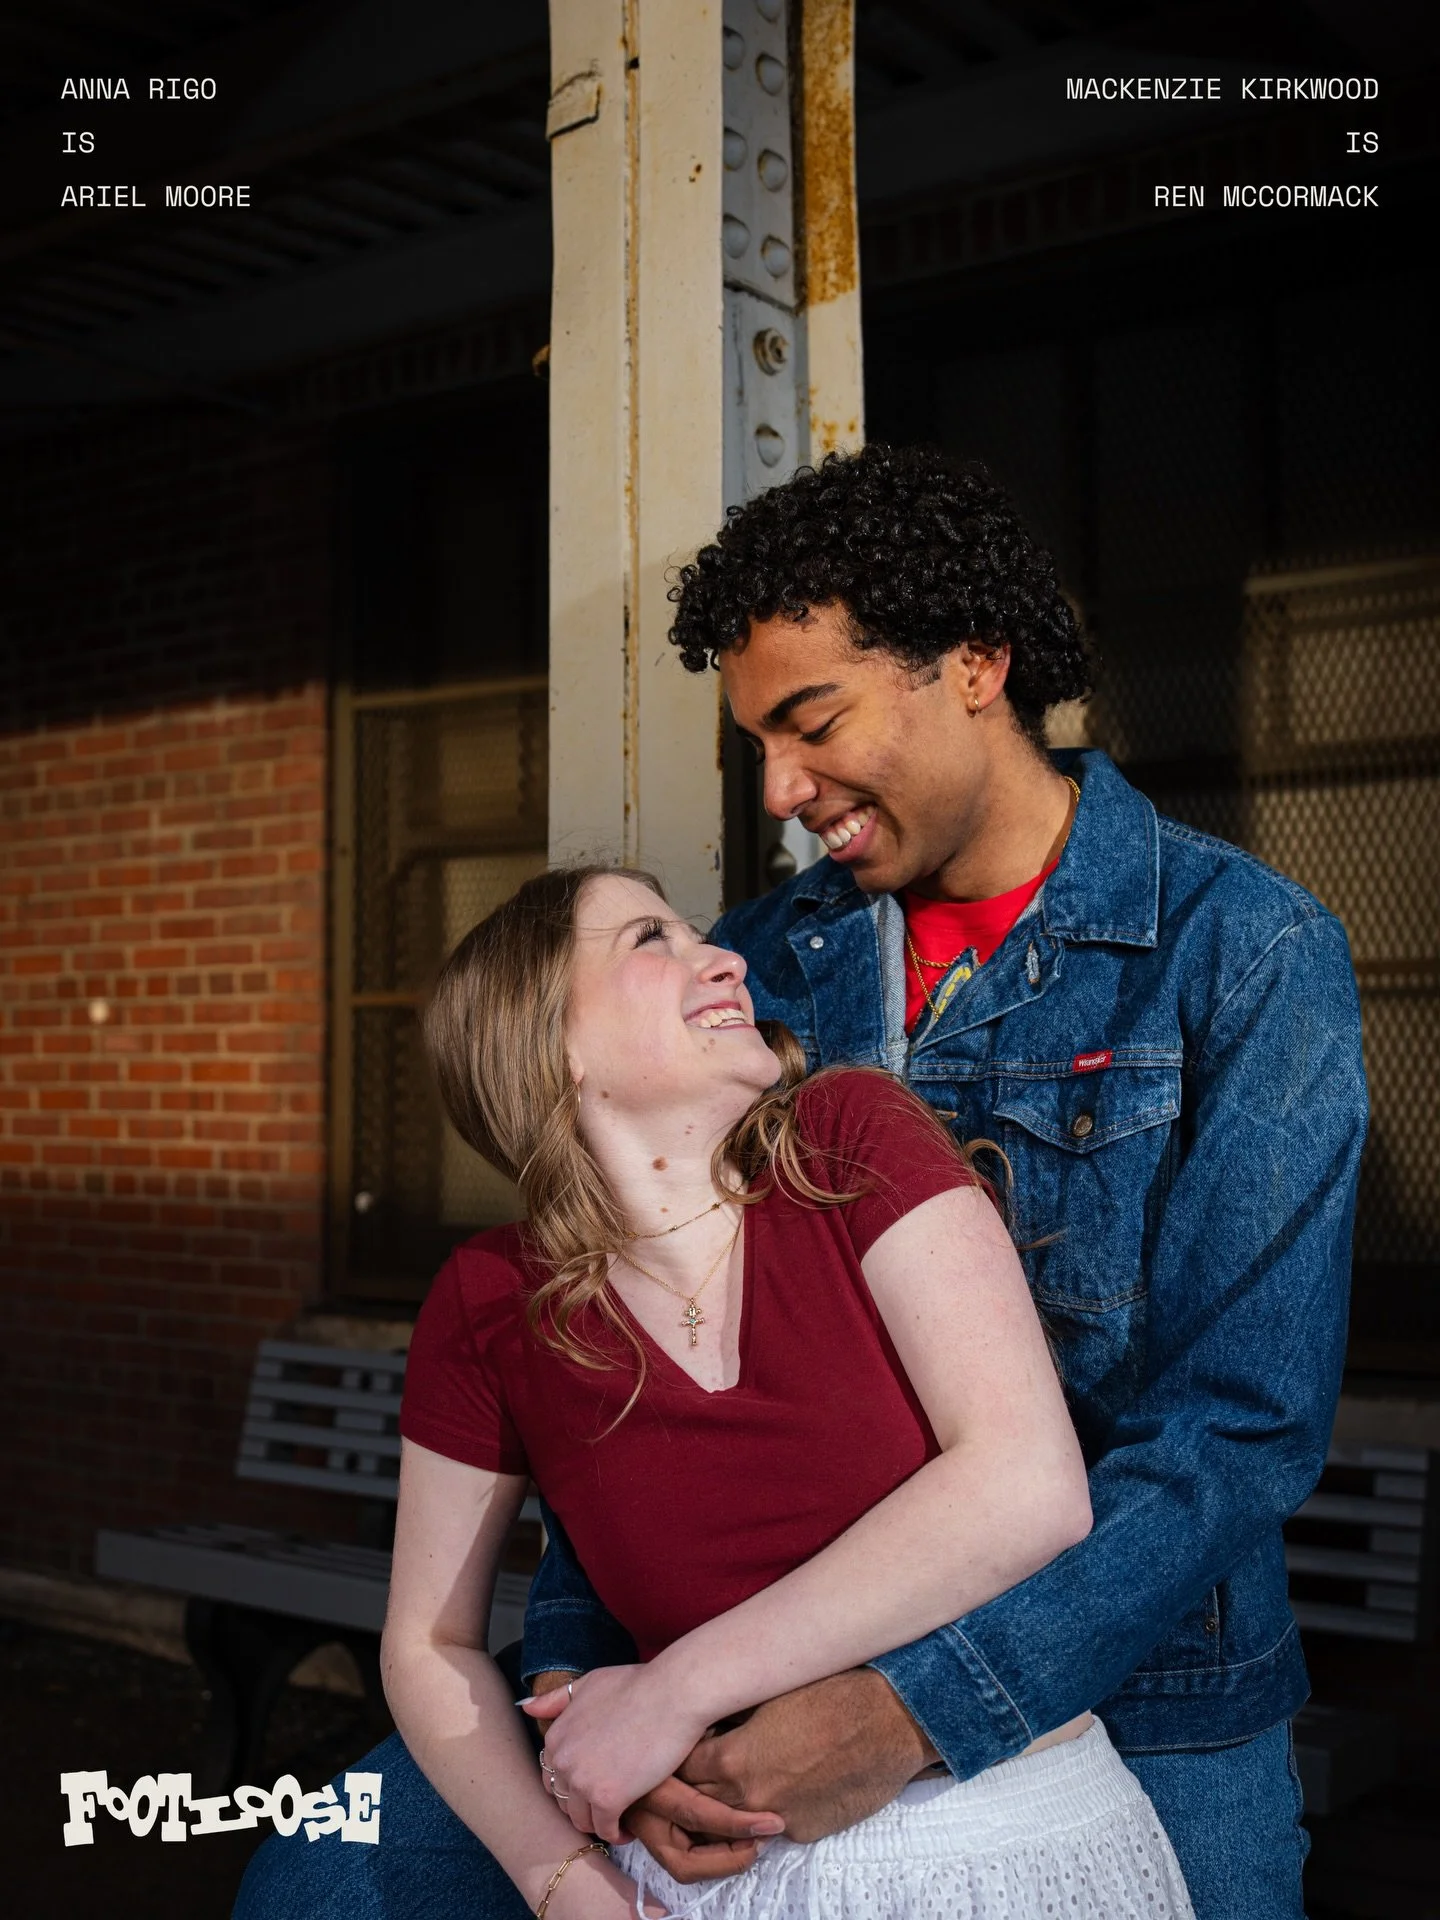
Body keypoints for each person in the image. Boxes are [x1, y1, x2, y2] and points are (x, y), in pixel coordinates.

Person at [235, 444, 1365, 1920]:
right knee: (321, 1885)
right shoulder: (763, 962)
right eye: (758, 742)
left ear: (975, 665)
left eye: (812, 721)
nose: (779, 790)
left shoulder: (1248, 952)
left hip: (1139, 1680)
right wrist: (596, 1703)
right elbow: (608, 1378)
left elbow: (1240, 1429)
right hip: (720, 1669)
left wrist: (909, 1709)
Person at [385, 864, 1197, 1920]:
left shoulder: (850, 1141)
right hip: (707, 1885)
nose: (725, 958)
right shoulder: (493, 1300)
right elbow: (429, 1643)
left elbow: (1029, 1486)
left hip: (1000, 1838)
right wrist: (562, 1881)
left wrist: (671, 1693)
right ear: (549, 1045)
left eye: (696, 932)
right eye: (650, 941)